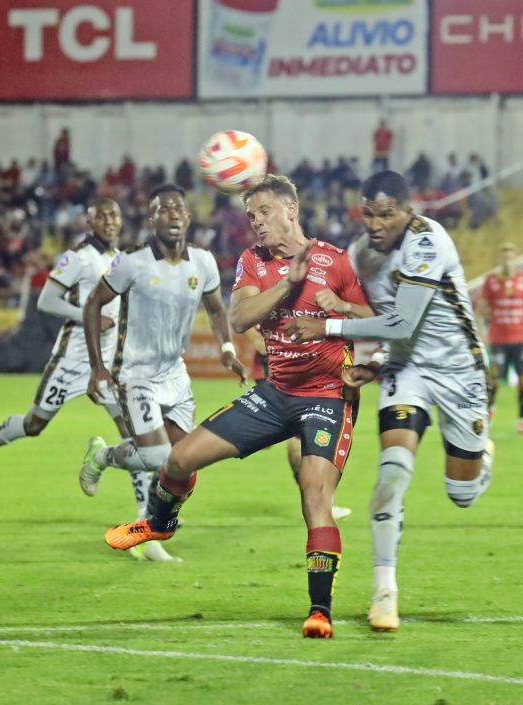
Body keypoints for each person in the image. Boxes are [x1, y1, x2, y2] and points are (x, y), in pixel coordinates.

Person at [103, 175, 369, 639]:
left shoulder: (336, 260)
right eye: (250, 216)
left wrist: (335, 315)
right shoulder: (253, 261)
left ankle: (319, 610)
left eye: (263, 212)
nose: (256, 223)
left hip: (327, 396)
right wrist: (288, 283)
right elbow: (241, 318)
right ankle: (161, 524)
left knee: (314, 496)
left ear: (291, 209)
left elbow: (372, 320)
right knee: (179, 458)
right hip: (275, 393)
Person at [285, 170, 495, 633]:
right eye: (369, 213)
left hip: (459, 370)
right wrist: (371, 362)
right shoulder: (359, 255)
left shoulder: (426, 241)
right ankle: (384, 590)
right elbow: (378, 321)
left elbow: (401, 322)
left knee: (461, 495)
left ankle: (482, 457)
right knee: (392, 473)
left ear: (407, 211)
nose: (377, 223)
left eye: (387, 213)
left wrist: (330, 327)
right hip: (406, 370)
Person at [0, 198, 157, 547]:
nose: (108, 221)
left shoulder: (120, 259)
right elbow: (46, 300)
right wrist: (87, 316)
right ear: (89, 221)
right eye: (101, 216)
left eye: (114, 216)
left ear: (121, 221)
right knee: (34, 425)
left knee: (134, 434)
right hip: (71, 359)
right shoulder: (77, 257)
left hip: (109, 364)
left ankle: (142, 517)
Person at [78, 184, 246, 562]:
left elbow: (218, 310)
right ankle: (102, 458)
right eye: (163, 209)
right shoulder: (131, 264)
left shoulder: (202, 262)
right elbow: (93, 305)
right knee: (157, 458)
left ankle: (147, 526)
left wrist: (227, 349)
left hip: (175, 375)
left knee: (183, 463)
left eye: (178, 209)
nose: (172, 215)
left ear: (188, 217)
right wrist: (97, 367)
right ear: (152, 219)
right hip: (135, 373)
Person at [242, 326, 354, 522]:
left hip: (297, 361)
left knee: (298, 432)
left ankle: (317, 500)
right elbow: (243, 314)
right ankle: (318, 501)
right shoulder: (275, 296)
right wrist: (259, 341)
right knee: (300, 432)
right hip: (281, 362)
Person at [477, 242, 523, 435]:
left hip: (520, 339)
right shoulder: (491, 281)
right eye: (504, 256)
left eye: (510, 255)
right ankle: (489, 414)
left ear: (516, 258)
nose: (507, 259)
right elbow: (480, 309)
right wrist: (481, 333)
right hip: (498, 340)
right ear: (499, 259)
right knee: (494, 381)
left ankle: (522, 421)